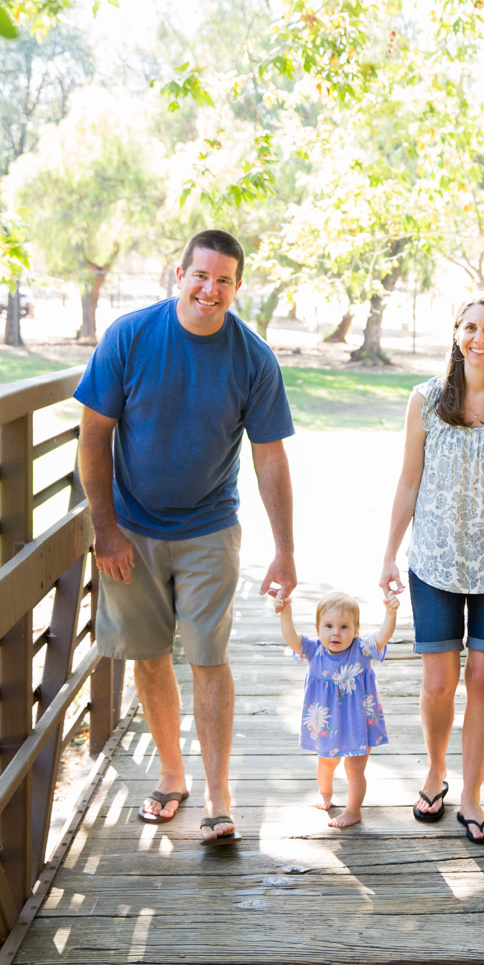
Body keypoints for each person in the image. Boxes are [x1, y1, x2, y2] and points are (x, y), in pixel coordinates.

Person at [75, 229, 296, 845]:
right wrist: (106, 529)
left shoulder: (253, 358)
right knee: (149, 655)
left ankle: (220, 796)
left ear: (237, 287)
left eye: (224, 280)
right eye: (201, 276)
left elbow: (270, 457)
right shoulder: (131, 336)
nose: (211, 289)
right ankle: (171, 777)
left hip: (209, 525)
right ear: (180, 275)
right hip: (131, 528)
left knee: (208, 657)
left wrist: (285, 548)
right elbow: (93, 438)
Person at [380, 294, 484, 845]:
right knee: (439, 681)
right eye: (470, 327)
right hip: (433, 557)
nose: (480, 338)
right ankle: (435, 773)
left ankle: (473, 798)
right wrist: (387, 552)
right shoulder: (426, 400)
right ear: (456, 334)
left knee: (482, 681)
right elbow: (407, 480)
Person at [274, 589, 399, 828]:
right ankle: (325, 793)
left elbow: (383, 636)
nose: (336, 633)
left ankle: (353, 811)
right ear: (318, 628)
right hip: (328, 724)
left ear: (356, 630)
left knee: (354, 767)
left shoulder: (361, 650)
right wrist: (285, 611)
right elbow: (291, 637)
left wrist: (390, 613)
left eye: (344, 627)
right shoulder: (313, 651)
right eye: (329, 626)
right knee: (326, 762)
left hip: (358, 722)